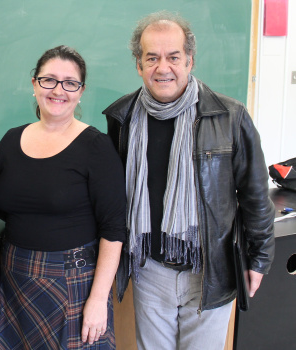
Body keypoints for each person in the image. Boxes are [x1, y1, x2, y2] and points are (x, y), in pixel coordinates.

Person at [103, 11, 275, 350]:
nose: (162, 68)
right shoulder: (121, 118)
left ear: (190, 60)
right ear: (139, 65)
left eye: (173, 57)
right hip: (149, 270)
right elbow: (111, 196)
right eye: (151, 58)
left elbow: (255, 194)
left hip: (210, 270)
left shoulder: (229, 117)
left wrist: (260, 259)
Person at [0, 45, 126, 349]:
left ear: (81, 91)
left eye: (70, 82)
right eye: (49, 80)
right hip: (15, 279)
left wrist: (99, 299)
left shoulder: (96, 147)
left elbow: (114, 229)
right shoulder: (10, 141)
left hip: (73, 282)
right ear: (35, 84)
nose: (58, 90)